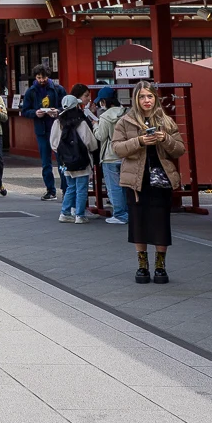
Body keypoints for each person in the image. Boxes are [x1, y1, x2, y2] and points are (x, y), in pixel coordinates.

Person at [112, 82, 184, 283]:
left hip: (161, 179)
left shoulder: (165, 121)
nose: (146, 100)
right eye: (142, 96)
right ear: (136, 99)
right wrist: (140, 141)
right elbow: (117, 148)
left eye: (150, 96)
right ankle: (142, 266)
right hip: (135, 179)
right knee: (138, 222)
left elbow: (179, 149)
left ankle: (160, 266)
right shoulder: (125, 122)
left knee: (161, 222)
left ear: (155, 98)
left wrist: (165, 139)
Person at [51, 86, 98, 224]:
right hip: (81, 160)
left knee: (70, 186)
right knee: (81, 188)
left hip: (66, 161)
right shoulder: (81, 122)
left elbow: (53, 143)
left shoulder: (58, 122)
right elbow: (90, 142)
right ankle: (80, 214)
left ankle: (65, 212)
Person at [19, 65, 64, 199]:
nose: (41, 80)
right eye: (38, 77)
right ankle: (50, 190)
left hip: (57, 129)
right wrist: (35, 113)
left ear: (48, 76)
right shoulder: (31, 91)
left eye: (43, 77)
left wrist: (58, 111)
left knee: (62, 161)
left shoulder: (58, 89)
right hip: (41, 130)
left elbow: (67, 107)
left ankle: (66, 189)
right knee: (46, 162)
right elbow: (25, 111)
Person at [94, 87, 130, 224]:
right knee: (126, 186)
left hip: (110, 155)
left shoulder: (105, 116)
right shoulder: (126, 113)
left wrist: (95, 126)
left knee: (114, 187)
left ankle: (120, 214)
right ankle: (128, 212)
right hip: (125, 153)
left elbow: (101, 136)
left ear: (104, 101)